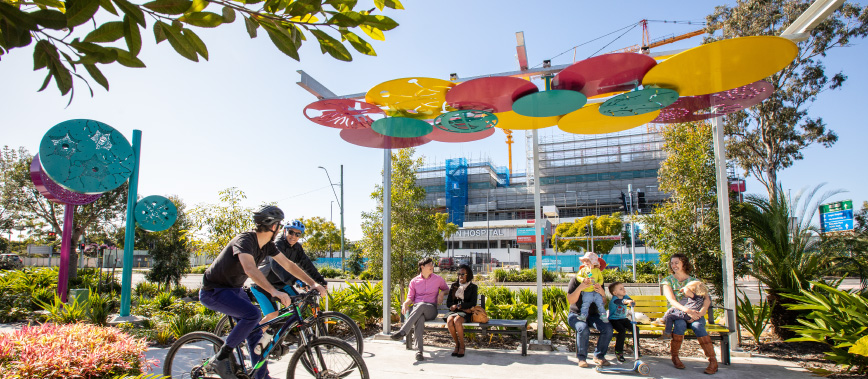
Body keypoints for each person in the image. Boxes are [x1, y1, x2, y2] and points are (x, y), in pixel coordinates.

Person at [198, 206, 327, 379]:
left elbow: (288, 265)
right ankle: (221, 358)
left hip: (233, 290)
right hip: (214, 291)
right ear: (273, 226)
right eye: (280, 226)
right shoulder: (245, 240)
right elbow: (250, 268)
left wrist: (312, 284)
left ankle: (261, 376)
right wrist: (274, 291)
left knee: (255, 330)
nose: (281, 230)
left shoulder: (267, 246)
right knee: (253, 314)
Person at [249, 220, 328, 334]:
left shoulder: (297, 248)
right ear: (285, 230)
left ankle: (283, 331)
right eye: (291, 232)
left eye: (297, 234)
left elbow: (307, 265)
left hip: (282, 284)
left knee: (299, 303)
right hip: (263, 284)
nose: (294, 236)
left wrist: (320, 280)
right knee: (272, 314)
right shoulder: (277, 244)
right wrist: (295, 280)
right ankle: (252, 339)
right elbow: (276, 266)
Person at [662, 253, 716, 375]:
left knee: (697, 326)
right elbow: (672, 300)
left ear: (684, 263)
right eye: (672, 263)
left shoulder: (695, 281)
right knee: (680, 325)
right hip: (679, 314)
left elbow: (706, 299)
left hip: (696, 314)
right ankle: (675, 357)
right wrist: (688, 311)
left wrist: (701, 312)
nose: (674, 265)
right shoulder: (667, 281)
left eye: (677, 262)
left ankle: (713, 361)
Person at [390, 257, 449, 361]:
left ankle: (403, 331)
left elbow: (447, 289)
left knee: (421, 306)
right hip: (418, 310)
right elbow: (410, 298)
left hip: (431, 309)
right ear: (422, 267)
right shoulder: (414, 281)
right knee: (419, 319)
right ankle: (419, 352)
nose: (432, 267)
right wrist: (405, 303)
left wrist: (442, 293)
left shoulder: (437, 279)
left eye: (432, 265)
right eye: (430, 265)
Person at [567, 272, 613, 368]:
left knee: (608, 329)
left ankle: (599, 356)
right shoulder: (575, 280)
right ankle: (582, 358)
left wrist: (602, 293)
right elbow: (571, 300)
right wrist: (580, 287)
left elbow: (603, 302)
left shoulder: (598, 280)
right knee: (583, 328)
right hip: (576, 315)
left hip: (594, 315)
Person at [444, 264, 478, 358]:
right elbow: (448, 302)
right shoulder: (454, 286)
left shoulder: (472, 287)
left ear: (468, 275)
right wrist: (452, 306)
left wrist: (460, 305)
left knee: (457, 321)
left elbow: (473, 303)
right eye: (459, 274)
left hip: (466, 311)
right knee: (450, 320)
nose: (460, 276)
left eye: (463, 274)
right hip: (455, 311)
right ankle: (457, 344)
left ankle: (462, 346)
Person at [577, 252, 608, 323]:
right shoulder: (583, 270)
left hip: (596, 291)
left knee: (600, 304)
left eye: (588, 260)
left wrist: (599, 284)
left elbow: (601, 279)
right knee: (585, 304)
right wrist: (583, 279)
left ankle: (603, 315)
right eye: (584, 261)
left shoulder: (597, 270)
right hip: (587, 291)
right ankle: (583, 315)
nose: (586, 262)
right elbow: (578, 276)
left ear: (593, 261)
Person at [607, 281, 634, 362]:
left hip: (623, 318)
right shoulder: (614, 299)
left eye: (623, 288)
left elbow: (629, 299)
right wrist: (627, 302)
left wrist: (631, 301)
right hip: (614, 320)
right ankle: (619, 351)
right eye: (621, 289)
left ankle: (636, 347)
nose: (624, 290)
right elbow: (621, 302)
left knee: (635, 328)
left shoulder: (624, 296)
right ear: (615, 293)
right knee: (622, 330)